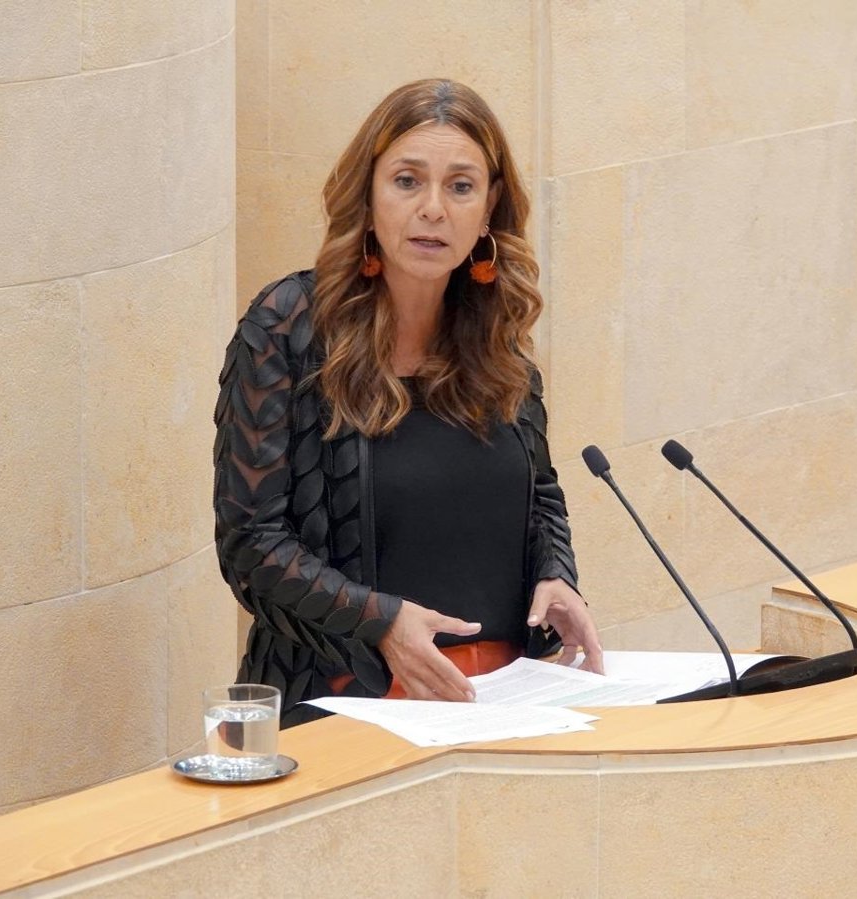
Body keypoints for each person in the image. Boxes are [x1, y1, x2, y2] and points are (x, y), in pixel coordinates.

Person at [214, 79, 602, 728]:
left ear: (489, 208)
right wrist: (381, 622)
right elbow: (251, 545)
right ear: (367, 195)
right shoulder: (288, 326)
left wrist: (556, 575)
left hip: (505, 705)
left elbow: (539, 494)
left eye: (460, 186)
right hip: (343, 708)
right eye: (406, 181)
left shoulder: (496, 334)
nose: (433, 209)